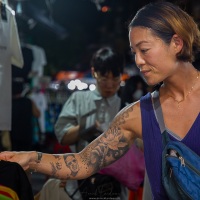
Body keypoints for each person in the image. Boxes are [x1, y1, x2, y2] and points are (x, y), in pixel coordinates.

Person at [0, 2, 200, 199]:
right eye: (134, 53)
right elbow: (83, 162)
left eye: (144, 50)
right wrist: (31, 158)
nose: (138, 61)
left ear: (176, 43)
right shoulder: (138, 114)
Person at [38, 46, 127, 200]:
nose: (110, 84)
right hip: (78, 187)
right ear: (94, 73)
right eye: (104, 78)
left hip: (114, 188)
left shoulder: (127, 109)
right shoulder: (79, 99)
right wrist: (86, 127)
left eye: (115, 78)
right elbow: (63, 136)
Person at [11, 78, 41, 151]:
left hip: (12, 135)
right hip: (26, 135)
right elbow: (37, 114)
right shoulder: (29, 101)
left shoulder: (8, 103)